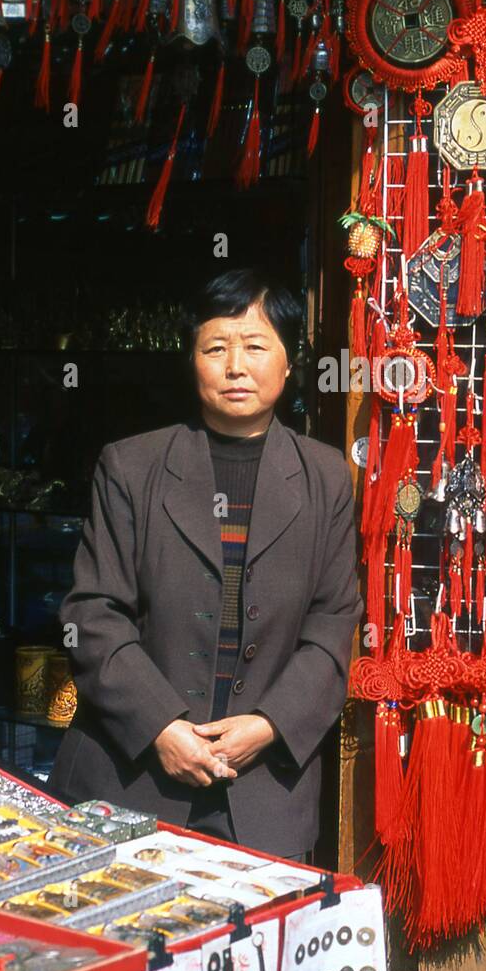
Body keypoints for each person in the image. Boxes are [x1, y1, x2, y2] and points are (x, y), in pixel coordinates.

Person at [48, 267, 364, 863]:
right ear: (192, 359)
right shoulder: (131, 466)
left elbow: (331, 624)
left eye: (255, 346)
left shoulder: (324, 477)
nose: (235, 366)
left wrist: (269, 725)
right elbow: (93, 614)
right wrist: (161, 727)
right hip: (131, 778)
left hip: (265, 794)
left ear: (289, 361)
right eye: (216, 347)